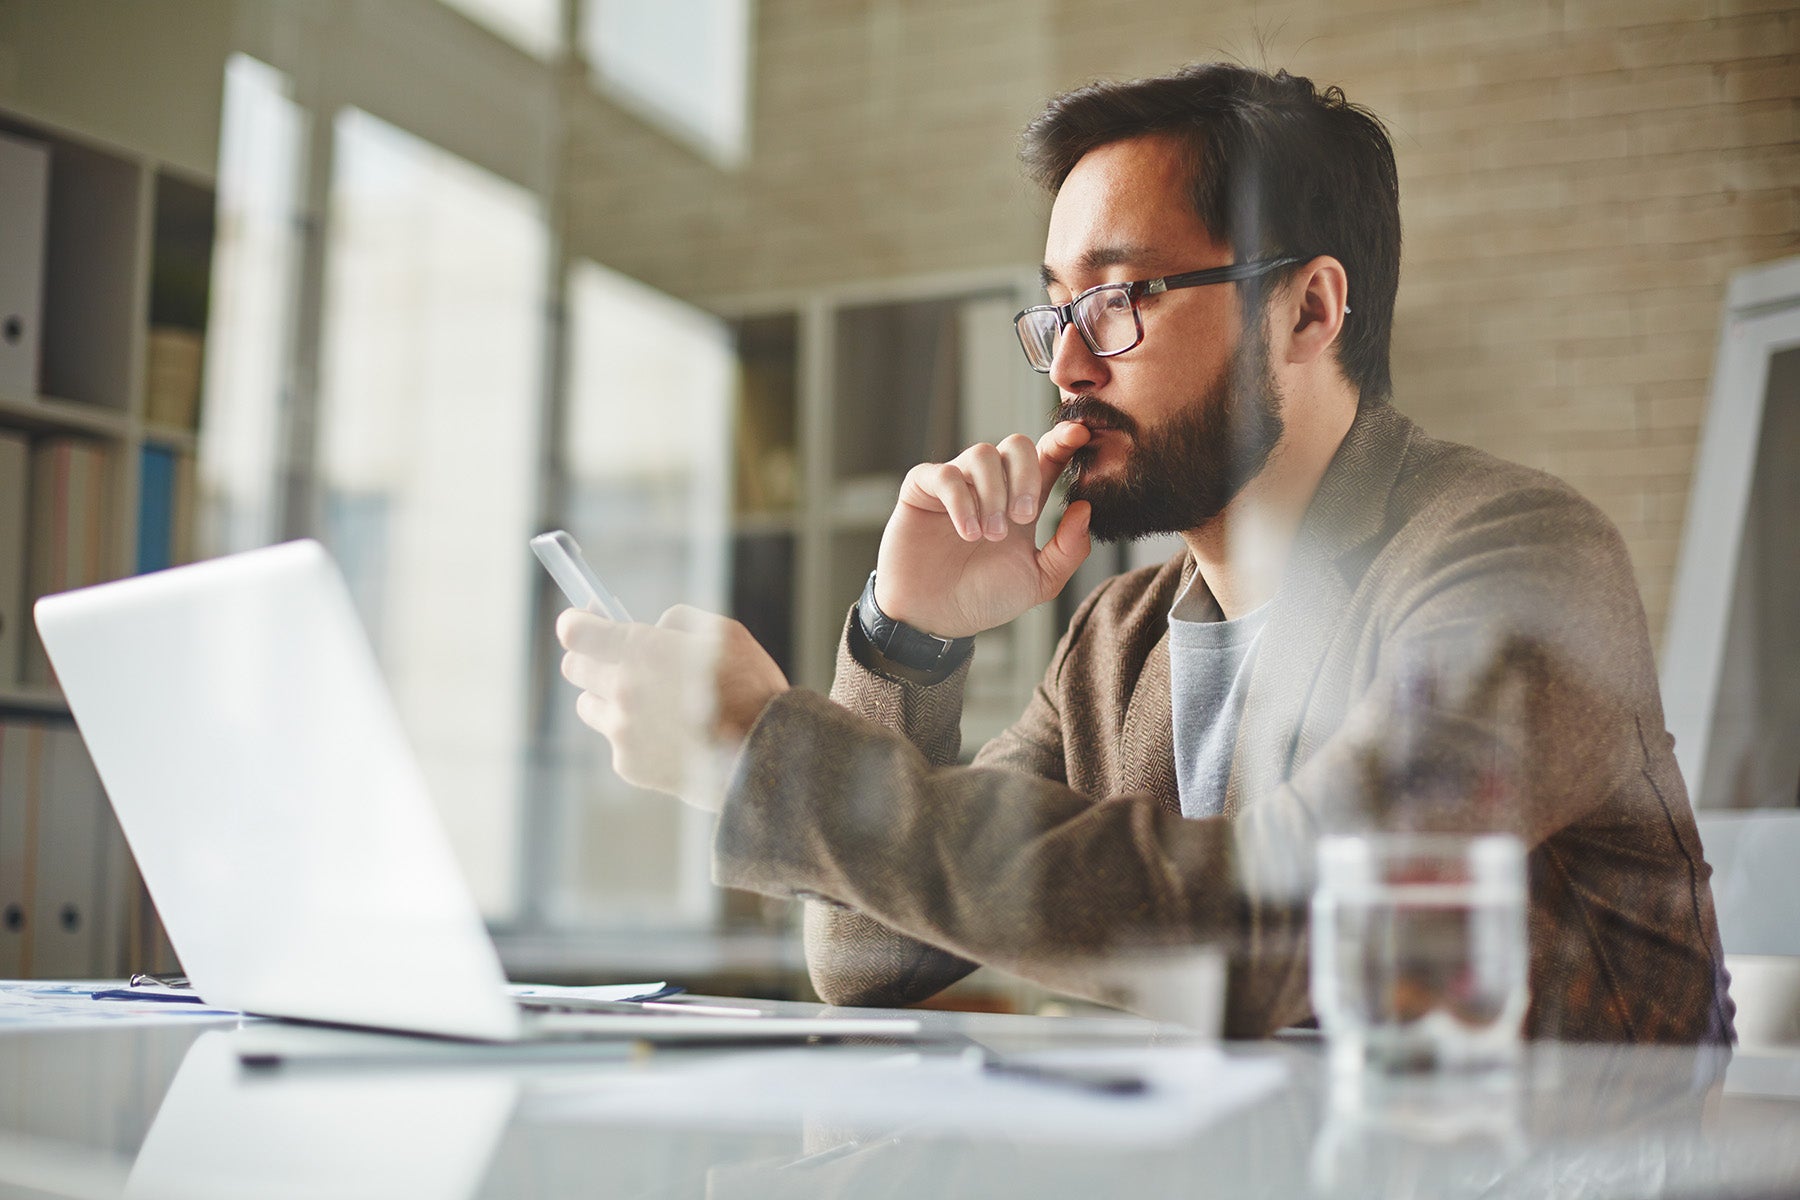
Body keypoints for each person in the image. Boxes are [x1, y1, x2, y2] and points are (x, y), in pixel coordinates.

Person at [556, 63, 1734, 1043]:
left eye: (1120, 299)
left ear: (1309, 311)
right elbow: (868, 956)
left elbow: (1280, 931)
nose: (1069, 365)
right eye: (1057, 310)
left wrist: (766, 755)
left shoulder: (1520, 565)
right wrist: (904, 642)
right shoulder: (1118, 641)